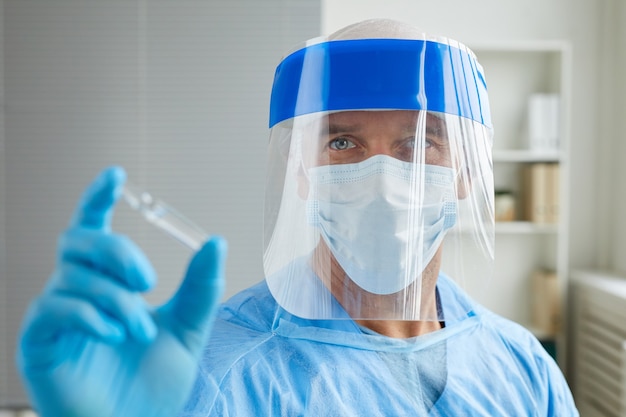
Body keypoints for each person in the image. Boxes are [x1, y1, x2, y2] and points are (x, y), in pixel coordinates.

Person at [16, 19, 578, 416]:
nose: (383, 180)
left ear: (466, 174)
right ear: (300, 170)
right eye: (342, 142)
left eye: (416, 143)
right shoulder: (220, 375)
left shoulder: (519, 364)